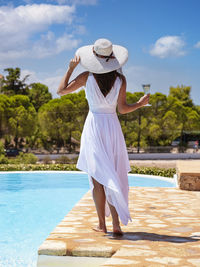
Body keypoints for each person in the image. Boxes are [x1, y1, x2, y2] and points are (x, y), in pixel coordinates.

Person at [57, 39, 149, 235]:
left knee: (98, 177)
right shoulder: (120, 80)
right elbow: (123, 109)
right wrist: (140, 104)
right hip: (112, 128)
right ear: (112, 58)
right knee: (112, 172)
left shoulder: (86, 77)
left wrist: (70, 69)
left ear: (94, 58)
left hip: (94, 127)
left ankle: (102, 225)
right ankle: (115, 224)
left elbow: (61, 91)